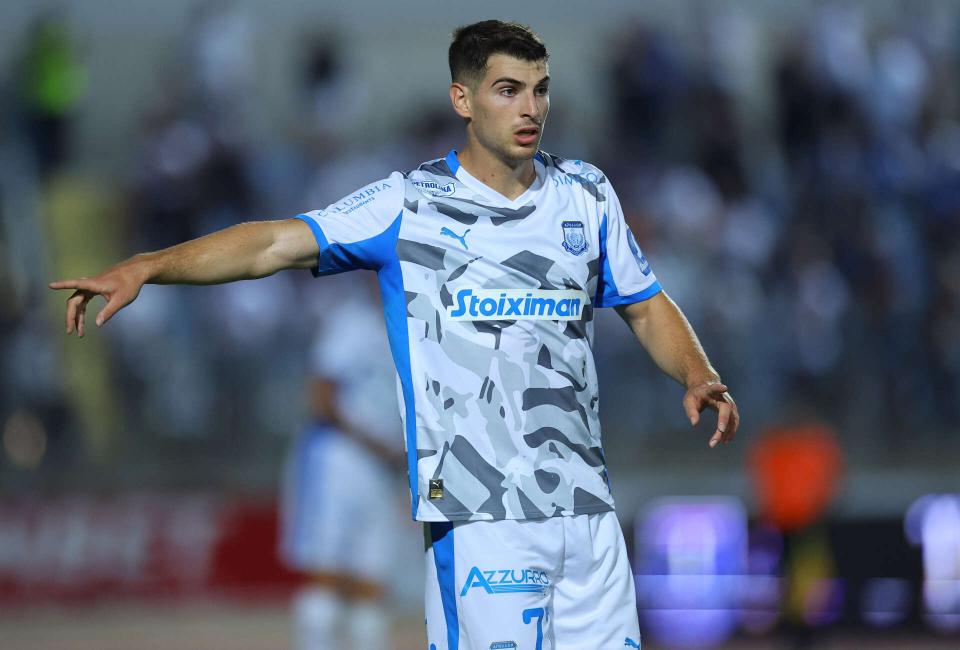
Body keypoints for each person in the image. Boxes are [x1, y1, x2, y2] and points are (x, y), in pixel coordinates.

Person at [51, 20, 740, 650]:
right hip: (482, 517)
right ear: (462, 99)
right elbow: (273, 244)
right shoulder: (408, 204)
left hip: (589, 514)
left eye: (540, 89)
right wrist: (149, 266)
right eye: (508, 90)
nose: (530, 108)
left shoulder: (586, 194)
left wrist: (697, 373)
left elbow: (645, 304)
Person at [279, 277, 404, 650]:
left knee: (372, 579)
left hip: (384, 468)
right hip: (338, 458)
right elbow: (321, 396)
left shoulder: (408, 323)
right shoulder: (351, 323)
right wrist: (373, 443)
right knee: (327, 573)